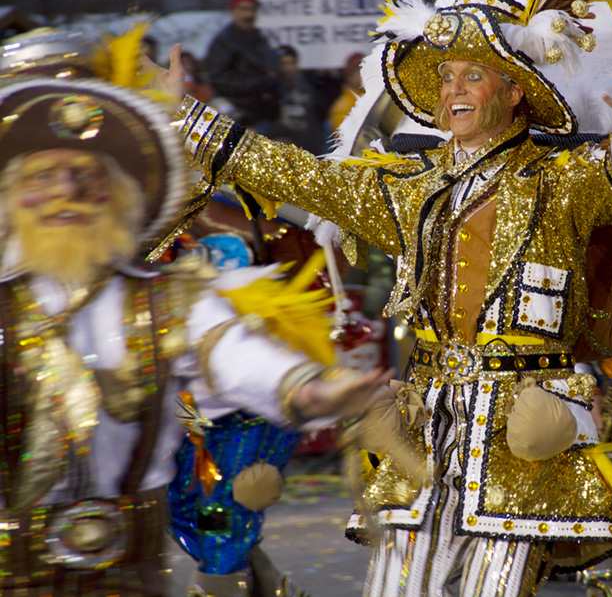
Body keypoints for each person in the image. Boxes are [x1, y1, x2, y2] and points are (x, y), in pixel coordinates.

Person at [157, 0, 612, 597]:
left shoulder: (557, 180)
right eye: (446, 77)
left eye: (473, 74)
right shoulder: (412, 189)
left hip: (524, 424)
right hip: (426, 418)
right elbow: (302, 175)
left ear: (515, 92)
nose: (454, 90)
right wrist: (190, 118)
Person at [0, 75, 393, 596]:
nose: (65, 191)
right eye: (43, 175)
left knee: (222, 520)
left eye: (85, 174)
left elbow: (234, 349)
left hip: (149, 533)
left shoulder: (171, 293)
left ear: (119, 192)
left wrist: (308, 391)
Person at [204, 0, 281, 129]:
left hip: (264, 112)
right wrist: (255, 84)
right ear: (233, 11)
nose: (248, 15)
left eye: (251, 10)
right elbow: (218, 78)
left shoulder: (260, 38)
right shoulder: (223, 41)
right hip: (237, 112)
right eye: (243, 9)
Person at [275, 45, 325, 154]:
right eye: (283, 63)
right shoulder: (268, 89)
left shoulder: (307, 89)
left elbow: (314, 120)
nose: (288, 68)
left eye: (291, 63)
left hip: (305, 144)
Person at [327, 51, 364, 133]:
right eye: (358, 70)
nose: (363, 74)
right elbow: (342, 137)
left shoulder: (372, 98)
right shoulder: (342, 106)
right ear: (349, 76)